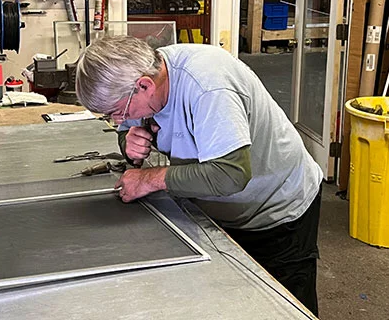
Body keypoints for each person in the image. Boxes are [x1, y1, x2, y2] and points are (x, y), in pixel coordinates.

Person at [75, 35, 323, 316]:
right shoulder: (144, 78)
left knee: (285, 307)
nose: (118, 120)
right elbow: (128, 129)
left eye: (117, 112)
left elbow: (230, 175)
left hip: (276, 209)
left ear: (143, 85)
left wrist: (149, 179)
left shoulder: (209, 86)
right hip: (220, 213)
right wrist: (128, 142)